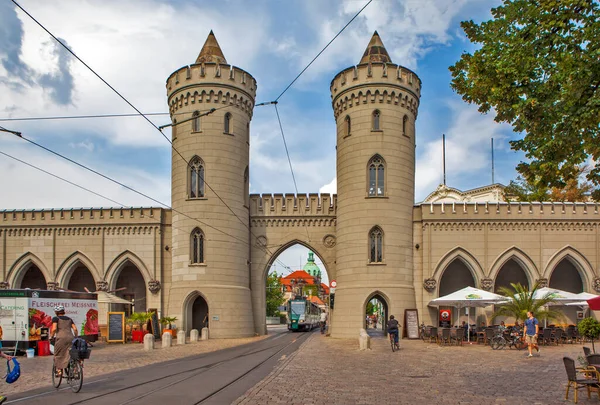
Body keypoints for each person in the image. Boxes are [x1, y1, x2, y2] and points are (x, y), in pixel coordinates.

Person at [50, 305, 78, 376]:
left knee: (58, 354)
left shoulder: (55, 318)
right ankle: (75, 369)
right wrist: (76, 336)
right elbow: (75, 329)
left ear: (56, 312)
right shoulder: (69, 319)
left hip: (61, 338)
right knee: (70, 353)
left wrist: (51, 336)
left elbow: (54, 329)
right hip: (70, 338)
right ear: (64, 312)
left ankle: (59, 371)